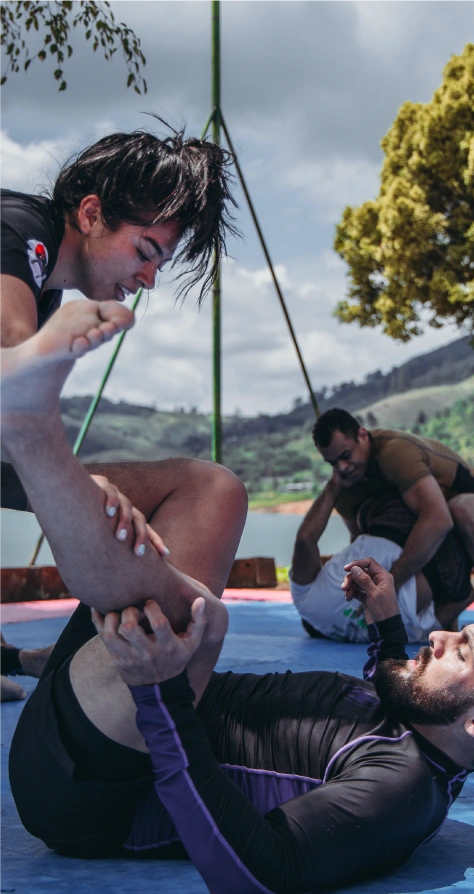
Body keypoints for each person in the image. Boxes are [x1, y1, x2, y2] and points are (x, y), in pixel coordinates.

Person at [5, 310, 474, 894]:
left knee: (204, 616)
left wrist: (159, 697)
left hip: (84, 786)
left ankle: (30, 440)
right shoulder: (427, 730)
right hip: (92, 715)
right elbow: (383, 697)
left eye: (460, 652)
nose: (438, 636)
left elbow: (257, 872)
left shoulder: (402, 792)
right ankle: (20, 511)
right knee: (210, 490)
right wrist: (387, 621)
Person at [0, 122, 236, 699]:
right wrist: (71, 481)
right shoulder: (16, 232)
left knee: (211, 487)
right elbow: (11, 366)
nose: (150, 278)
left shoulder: (46, 281)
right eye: (145, 251)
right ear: (90, 213)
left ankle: (77, 670)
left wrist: (75, 484)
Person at [311, 408, 474, 627]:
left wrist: (391, 583)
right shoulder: (345, 486)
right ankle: (451, 617)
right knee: (402, 532)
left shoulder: (393, 451)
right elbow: (366, 544)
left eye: (346, 455)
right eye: (332, 463)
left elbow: (439, 520)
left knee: (457, 510)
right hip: (449, 540)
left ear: (363, 435)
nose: (342, 468)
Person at [290, 468, 447, 642]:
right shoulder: (307, 606)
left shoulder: (406, 636)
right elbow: (305, 540)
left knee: (455, 590)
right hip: (387, 521)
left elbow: (461, 599)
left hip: (436, 569)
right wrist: (335, 484)